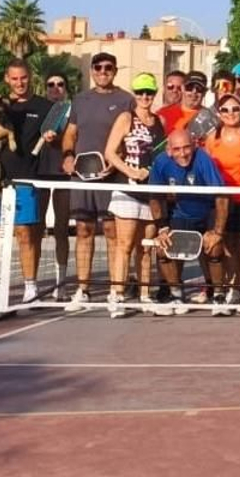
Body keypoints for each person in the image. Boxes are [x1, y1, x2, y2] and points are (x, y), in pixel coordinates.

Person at [0, 59, 53, 311]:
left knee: (25, 234)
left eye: (23, 78)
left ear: (30, 77)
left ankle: (30, 289)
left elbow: (57, 137)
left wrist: (53, 138)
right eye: (14, 78)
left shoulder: (44, 106)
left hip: (25, 178)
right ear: (7, 79)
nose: (19, 83)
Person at [59, 51, 135, 311]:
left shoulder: (126, 100)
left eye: (108, 67)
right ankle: (83, 289)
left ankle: (116, 290)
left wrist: (117, 160)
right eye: (98, 67)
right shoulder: (80, 100)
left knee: (113, 232)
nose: (103, 72)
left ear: (115, 70)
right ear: (91, 70)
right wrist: (68, 156)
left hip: (113, 177)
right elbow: (70, 134)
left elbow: (130, 137)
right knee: (84, 230)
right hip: (82, 177)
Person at [101, 72, 168, 317]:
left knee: (146, 247)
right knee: (125, 245)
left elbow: (162, 154)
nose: (144, 97)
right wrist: (130, 171)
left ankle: (144, 295)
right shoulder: (126, 117)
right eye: (140, 92)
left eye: (148, 92)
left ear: (154, 93)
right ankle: (117, 295)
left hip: (151, 192)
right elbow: (110, 152)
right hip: (127, 189)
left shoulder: (159, 121)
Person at [148, 127, 230, 316]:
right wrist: (162, 228)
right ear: (169, 150)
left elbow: (222, 196)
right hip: (180, 215)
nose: (183, 153)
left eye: (186, 147)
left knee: (214, 247)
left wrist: (217, 231)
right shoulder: (161, 162)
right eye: (177, 149)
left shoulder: (203, 159)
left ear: (193, 146)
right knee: (162, 248)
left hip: (207, 213)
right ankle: (176, 295)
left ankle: (218, 296)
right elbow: (154, 197)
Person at [201, 92, 240, 313]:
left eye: (235, 109)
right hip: (222, 200)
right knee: (227, 245)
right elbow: (205, 169)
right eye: (225, 110)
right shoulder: (212, 137)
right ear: (219, 113)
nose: (230, 113)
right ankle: (233, 288)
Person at [37, 71, 75, 300]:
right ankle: (33, 284)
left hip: (63, 174)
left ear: (66, 88)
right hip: (39, 173)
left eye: (60, 84)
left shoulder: (71, 111)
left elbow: (73, 139)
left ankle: (61, 283)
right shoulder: (39, 108)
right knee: (36, 229)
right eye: (51, 84)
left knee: (61, 229)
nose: (55, 88)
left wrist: (59, 139)